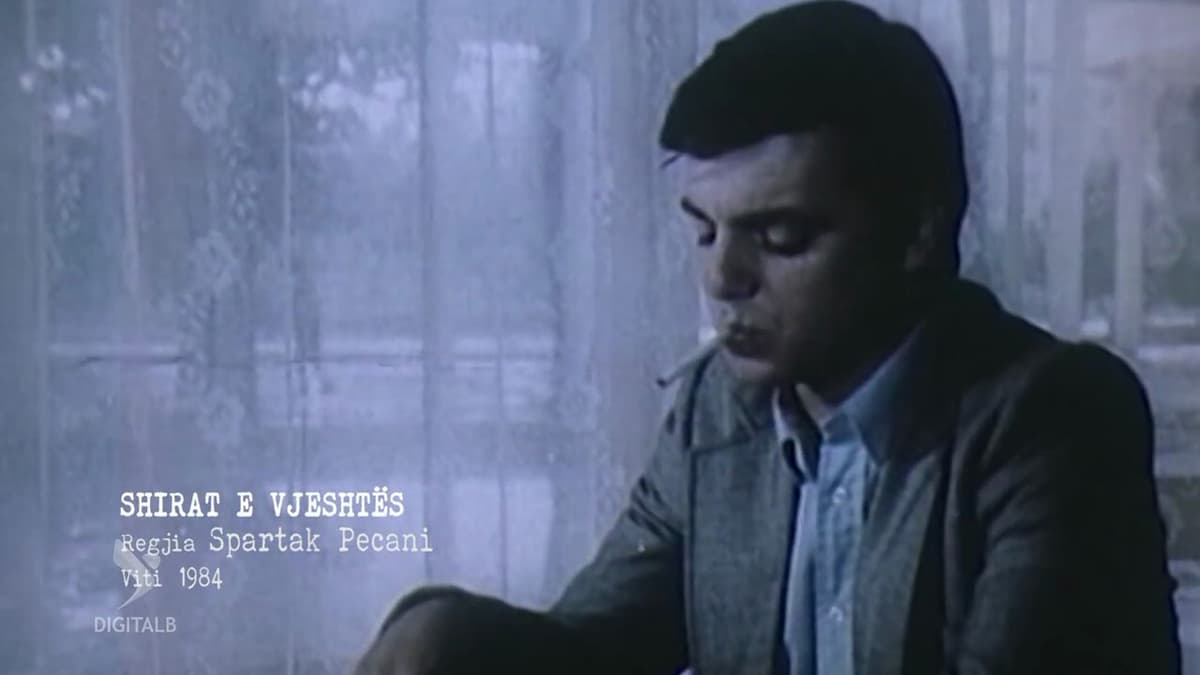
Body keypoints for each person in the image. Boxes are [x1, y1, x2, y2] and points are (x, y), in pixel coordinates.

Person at [353, 2, 1182, 673]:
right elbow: (594, 649)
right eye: (703, 230)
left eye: (780, 236)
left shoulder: (1053, 417)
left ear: (918, 232)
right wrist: (450, 635)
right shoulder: (718, 410)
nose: (722, 277)